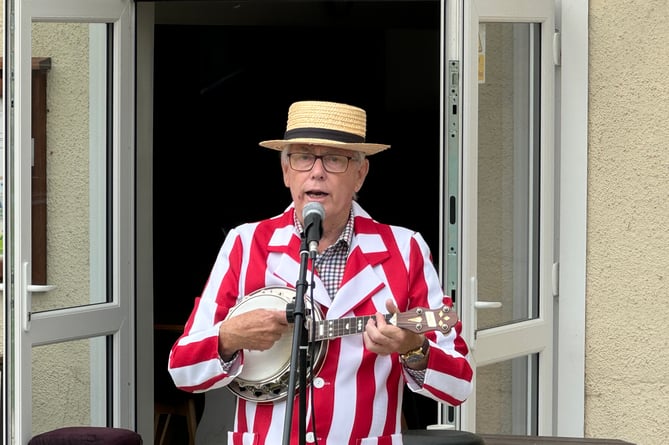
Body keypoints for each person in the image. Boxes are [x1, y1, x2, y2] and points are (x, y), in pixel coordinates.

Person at [168, 100, 473, 445]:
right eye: (302, 157)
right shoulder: (245, 243)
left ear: (360, 174)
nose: (316, 172)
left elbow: (459, 384)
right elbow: (182, 369)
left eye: (334, 159)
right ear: (286, 172)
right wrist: (229, 337)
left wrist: (414, 348)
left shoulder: (405, 249)